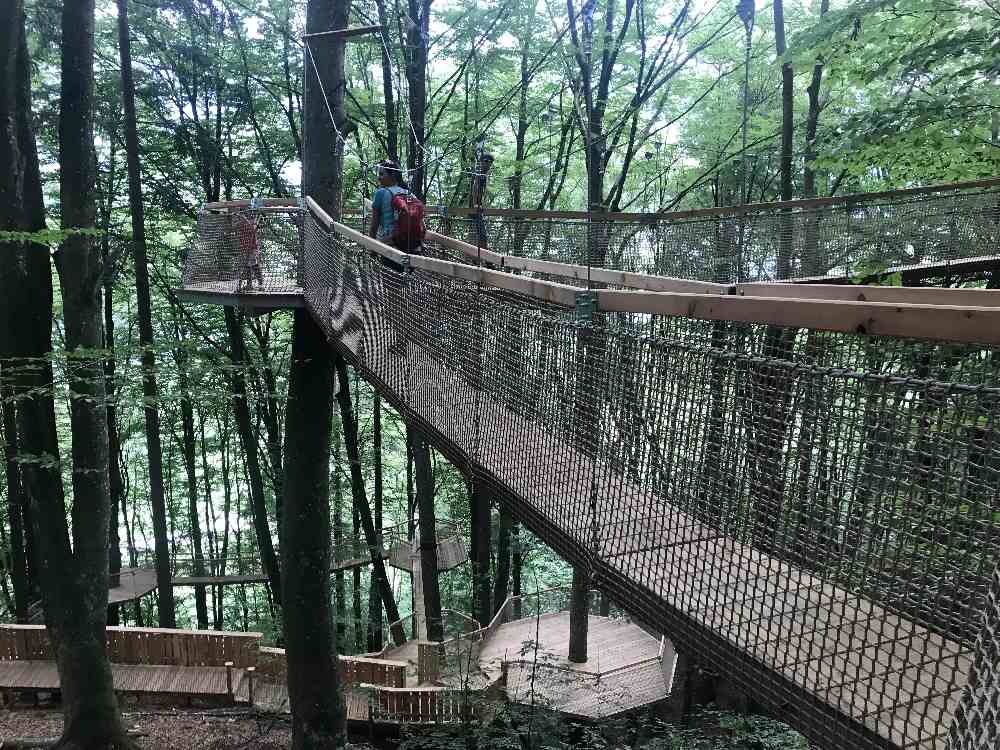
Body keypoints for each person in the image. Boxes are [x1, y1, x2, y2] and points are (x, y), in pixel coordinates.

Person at [368, 160, 425, 256]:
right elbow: (422, 225)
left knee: (388, 271)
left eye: (382, 174)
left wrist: (372, 249)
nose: (379, 178)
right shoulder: (409, 194)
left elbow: (374, 225)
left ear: (392, 175)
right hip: (412, 248)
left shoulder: (381, 193)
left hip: (389, 247)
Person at [236, 210, 263, 291]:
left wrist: (243, 218)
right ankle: (249, 284)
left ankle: (260, 283)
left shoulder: (252, 221)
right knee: (247, 266)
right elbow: (234, 227)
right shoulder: (240, 223)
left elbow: (253, 229)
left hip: (252, 247)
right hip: (244, 248)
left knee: (254, 264)